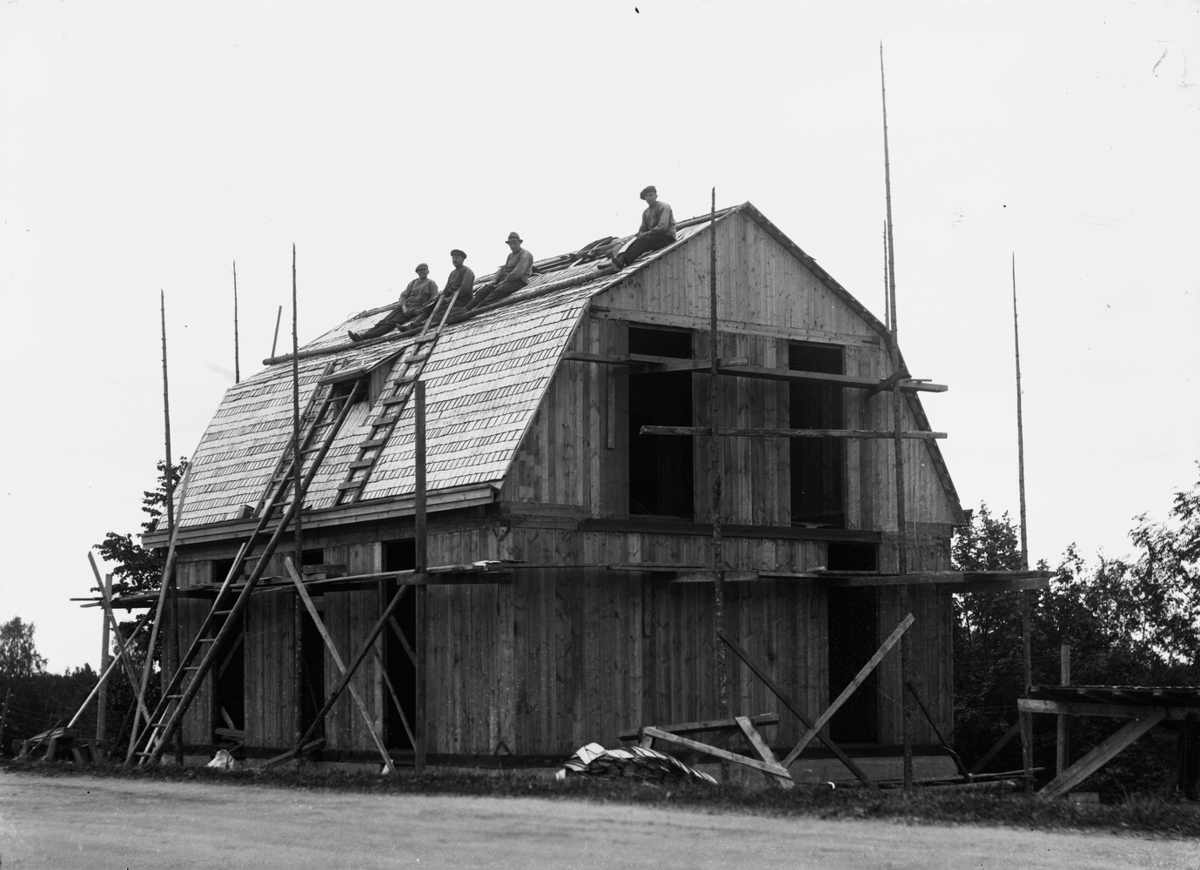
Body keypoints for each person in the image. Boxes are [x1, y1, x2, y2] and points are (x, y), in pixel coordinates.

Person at [348, 263, 439, 341]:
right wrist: (404, 307)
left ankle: (365, 337)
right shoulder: (413, 283)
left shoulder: (431, 283)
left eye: (423, 270)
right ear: (417, 272)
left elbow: (433, 301)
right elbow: (403, 296)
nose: (421, 272)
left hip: (415, 310)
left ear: (428, 271)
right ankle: (362, 336)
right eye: (419, 271)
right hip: (404, 308)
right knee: (384, 321)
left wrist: (420, 310)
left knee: (390, 324)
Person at [611, 186, 676, 269]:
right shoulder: (646, 212)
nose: (649, 198)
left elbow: (662, 227)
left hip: (667, 237)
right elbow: (643, 228)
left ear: (656, 196)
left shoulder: (663, 206)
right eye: (647, 196)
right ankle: (617, 260)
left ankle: (622, 261)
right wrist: (640, 234)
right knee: (634, 240)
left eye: (651, 195)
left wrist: (645, 234)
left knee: (642, 241)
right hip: (654, 237)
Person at [469, 232, 532, 309]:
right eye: (510, 244)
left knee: (498, 291)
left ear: (519, 243)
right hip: (507, 281)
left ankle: (478, 308)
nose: (512, 246)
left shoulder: (525, 254)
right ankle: (467, 308)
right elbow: (503, 270)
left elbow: (516, 274)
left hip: (518, 282)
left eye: (514, 243)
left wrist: (503, 282)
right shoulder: (510, 255)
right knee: (484, 290)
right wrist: (494, 281)